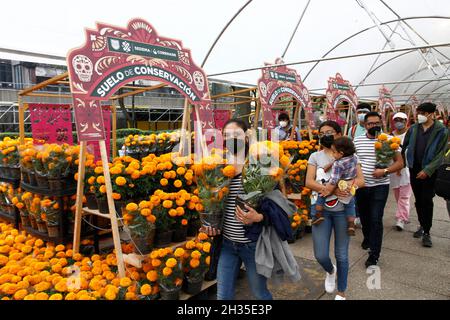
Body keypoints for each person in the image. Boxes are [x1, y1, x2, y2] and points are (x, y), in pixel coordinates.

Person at [200, 118, 272, 300]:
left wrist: (259, 217)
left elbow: (277, 206)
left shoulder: (259, 165)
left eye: (236, 135)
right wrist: (209, 223)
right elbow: (213, 204)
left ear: (247, 137)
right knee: (223, 296)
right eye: (226, 135)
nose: (231, 139)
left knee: (260, 293)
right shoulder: (219, 167)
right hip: (227, 244)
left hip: (252, 244)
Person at [306, 120, 365, 300]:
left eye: (329, 132)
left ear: (339, 134)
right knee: (320, 254)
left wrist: (344, 185)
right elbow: (308, 182)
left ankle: (341, 291)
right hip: (321, 210)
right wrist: (329, 189)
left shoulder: (350, 156)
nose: (325, 135)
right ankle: (330, 270)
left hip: (343, 210)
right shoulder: (315, 157)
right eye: (321, 133)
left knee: (342, 254)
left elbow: (361, 181)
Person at [354, 112, 404, 267]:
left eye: (377, 123)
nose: (374, 126)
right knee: (364, 217)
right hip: (362, 186)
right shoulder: (357, 140)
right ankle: (368, 237)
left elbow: (399, 163)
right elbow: (352, 161)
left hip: (380, 186)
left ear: (381, 123)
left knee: (376, 219)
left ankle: (374, 255)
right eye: (370, 123)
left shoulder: (389, 140)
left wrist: (385, 171)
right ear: (365, 125)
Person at [402, 102, 449, 248]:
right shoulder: (414, 128)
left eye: (422, 113)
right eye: (418, 113)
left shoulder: (441, 130)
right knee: (418, 199)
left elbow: (440, 154)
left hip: (430, 171)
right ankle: (422, 225)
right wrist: (403, 162)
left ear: (430, 114)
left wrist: (427, 170)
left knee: (427, 200)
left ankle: (427, 232)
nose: (419, 115)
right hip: (414, 168)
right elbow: (405, 145)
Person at [313, 137, 358, 236]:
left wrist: (327, 190)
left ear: (341, 153)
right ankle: (351, 224)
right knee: (350, 204)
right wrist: (330, 164)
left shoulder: (338, 164)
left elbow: (334, 179)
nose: (332, 154)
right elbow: (343, 161)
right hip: (349, 184)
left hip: (338, 182)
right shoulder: (353, 157)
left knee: (321, 194)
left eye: (334, 152)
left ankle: (318, 214)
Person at [390, 112, 412, 231]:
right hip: (394, 169)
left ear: (406, 121)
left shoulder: (410, 134)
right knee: (398, 195)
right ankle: (403, 214)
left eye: (402, 120)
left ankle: (401, 218)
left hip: (407, 169)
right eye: (396, 120)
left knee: (404, 196)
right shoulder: (390, 136)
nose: (399, 122)